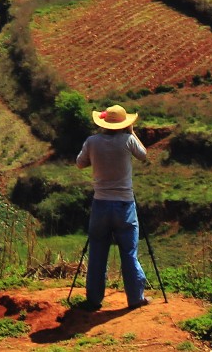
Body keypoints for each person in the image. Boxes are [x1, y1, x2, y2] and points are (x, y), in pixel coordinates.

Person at [73, 103, 148, 310]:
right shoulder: (128, 140)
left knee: (97, 251)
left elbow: (80, 163)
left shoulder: (92, 141)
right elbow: (143, 154)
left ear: (103, 123)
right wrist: (132, 132)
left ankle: (94, 299)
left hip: (100, 204)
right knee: (129, 252)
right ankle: (135, 298)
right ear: (124, 125)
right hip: (124, 204)